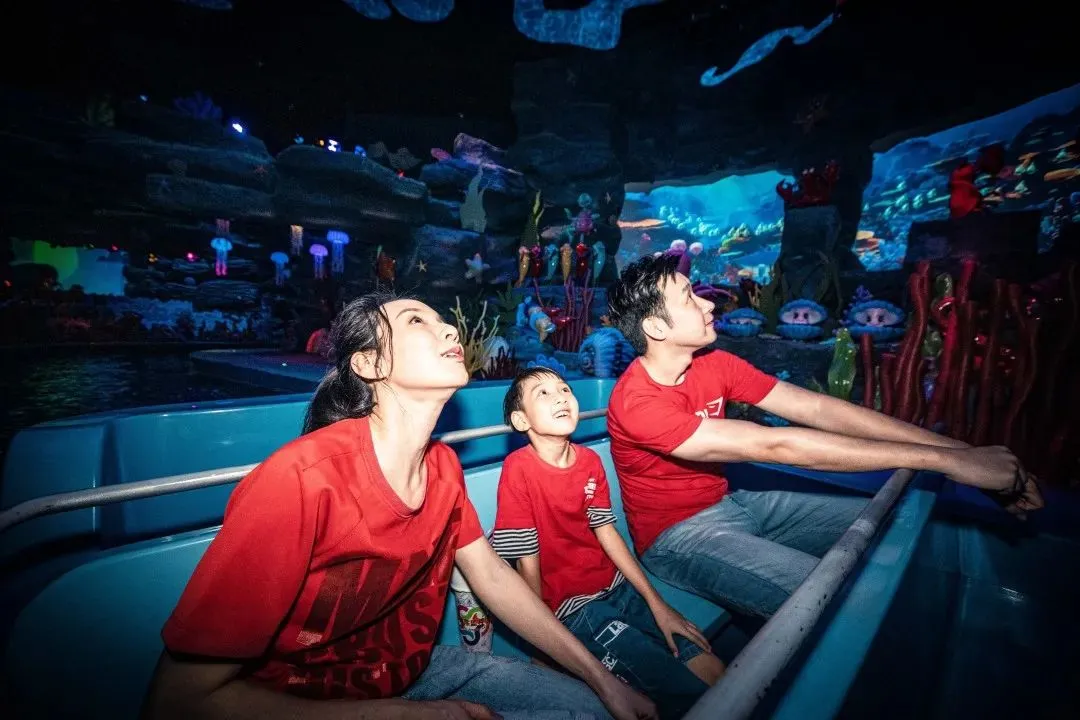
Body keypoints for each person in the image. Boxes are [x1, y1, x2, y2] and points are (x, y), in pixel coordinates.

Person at [141, 292, 658, 720]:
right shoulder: (300, 481)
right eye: (416, 321)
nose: (450, 329)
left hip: (417, 671)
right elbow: (178, 701)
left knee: (594, 708)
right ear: (371, 364)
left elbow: (492, 577)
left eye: (443, 320)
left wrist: (601, 678)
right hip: (297, 701)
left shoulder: (443, 467)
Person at [604, 254, 1044, 618]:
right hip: (678, 539)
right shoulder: (637, 403)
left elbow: (819, 408)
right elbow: (774, 444)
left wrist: (963, 451)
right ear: (656, 328)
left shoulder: (714, 363)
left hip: (734, 502)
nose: (708, 304)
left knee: (896, 523)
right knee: (846, 602)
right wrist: (949, 463)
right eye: (689, 297)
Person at [491, 368, 726, 719]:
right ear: (521, 420)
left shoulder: (590, 461)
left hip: (617, 588)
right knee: (678, 688)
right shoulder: (518, 468)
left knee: (709, 664)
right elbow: (528, 562)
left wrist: (657, 604)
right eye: (544, 393)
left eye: (565, 389)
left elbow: (607, 533)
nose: (561, 397)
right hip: (573, 609)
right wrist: (544, 644)